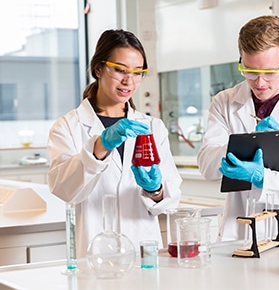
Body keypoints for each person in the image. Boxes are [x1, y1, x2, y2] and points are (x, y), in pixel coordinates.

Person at [47, 29, 182, 257]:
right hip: (96, 252)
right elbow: (64, 189)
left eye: (138, 73)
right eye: (120, 70)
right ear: (98, 68)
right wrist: (100, 146)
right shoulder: (68, 126)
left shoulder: (152, 127)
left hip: (144, 250)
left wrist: (156, 190)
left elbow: (170, 201)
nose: (129, 81)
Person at [197, 15, 279, 242]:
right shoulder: (224, 103)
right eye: (250, 71)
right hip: (237, 235)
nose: (260, 83)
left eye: (269, 72)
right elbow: (207, 167)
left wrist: (262, 178)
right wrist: (243, 146)